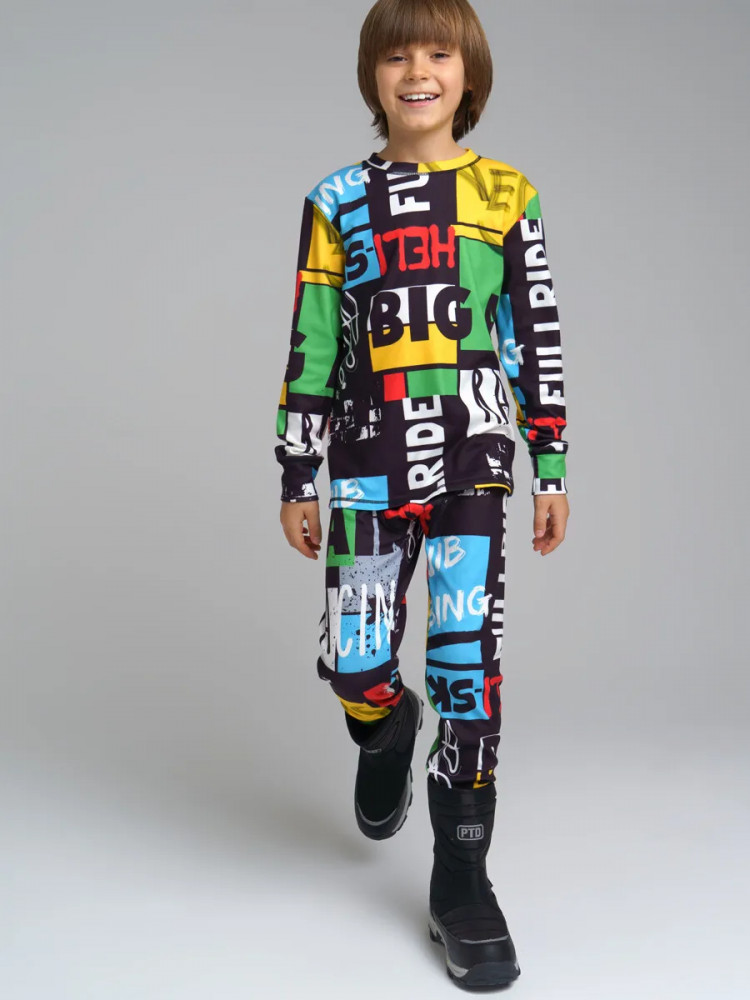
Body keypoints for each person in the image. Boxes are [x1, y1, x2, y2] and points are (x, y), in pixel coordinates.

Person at [274, 0, 569, 989]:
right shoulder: (336, 199)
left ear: (468, 74)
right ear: (373, 75)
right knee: (355, 662)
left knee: (466, 668)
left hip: (474, 467)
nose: (418, 71)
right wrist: (296, 465)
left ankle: (463, 878)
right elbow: (316, 338)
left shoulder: (507, 195)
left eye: (439, 53)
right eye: (397, 55)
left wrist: (552, 462)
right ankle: (384, 726)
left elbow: (531, 333)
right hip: (365, 464)